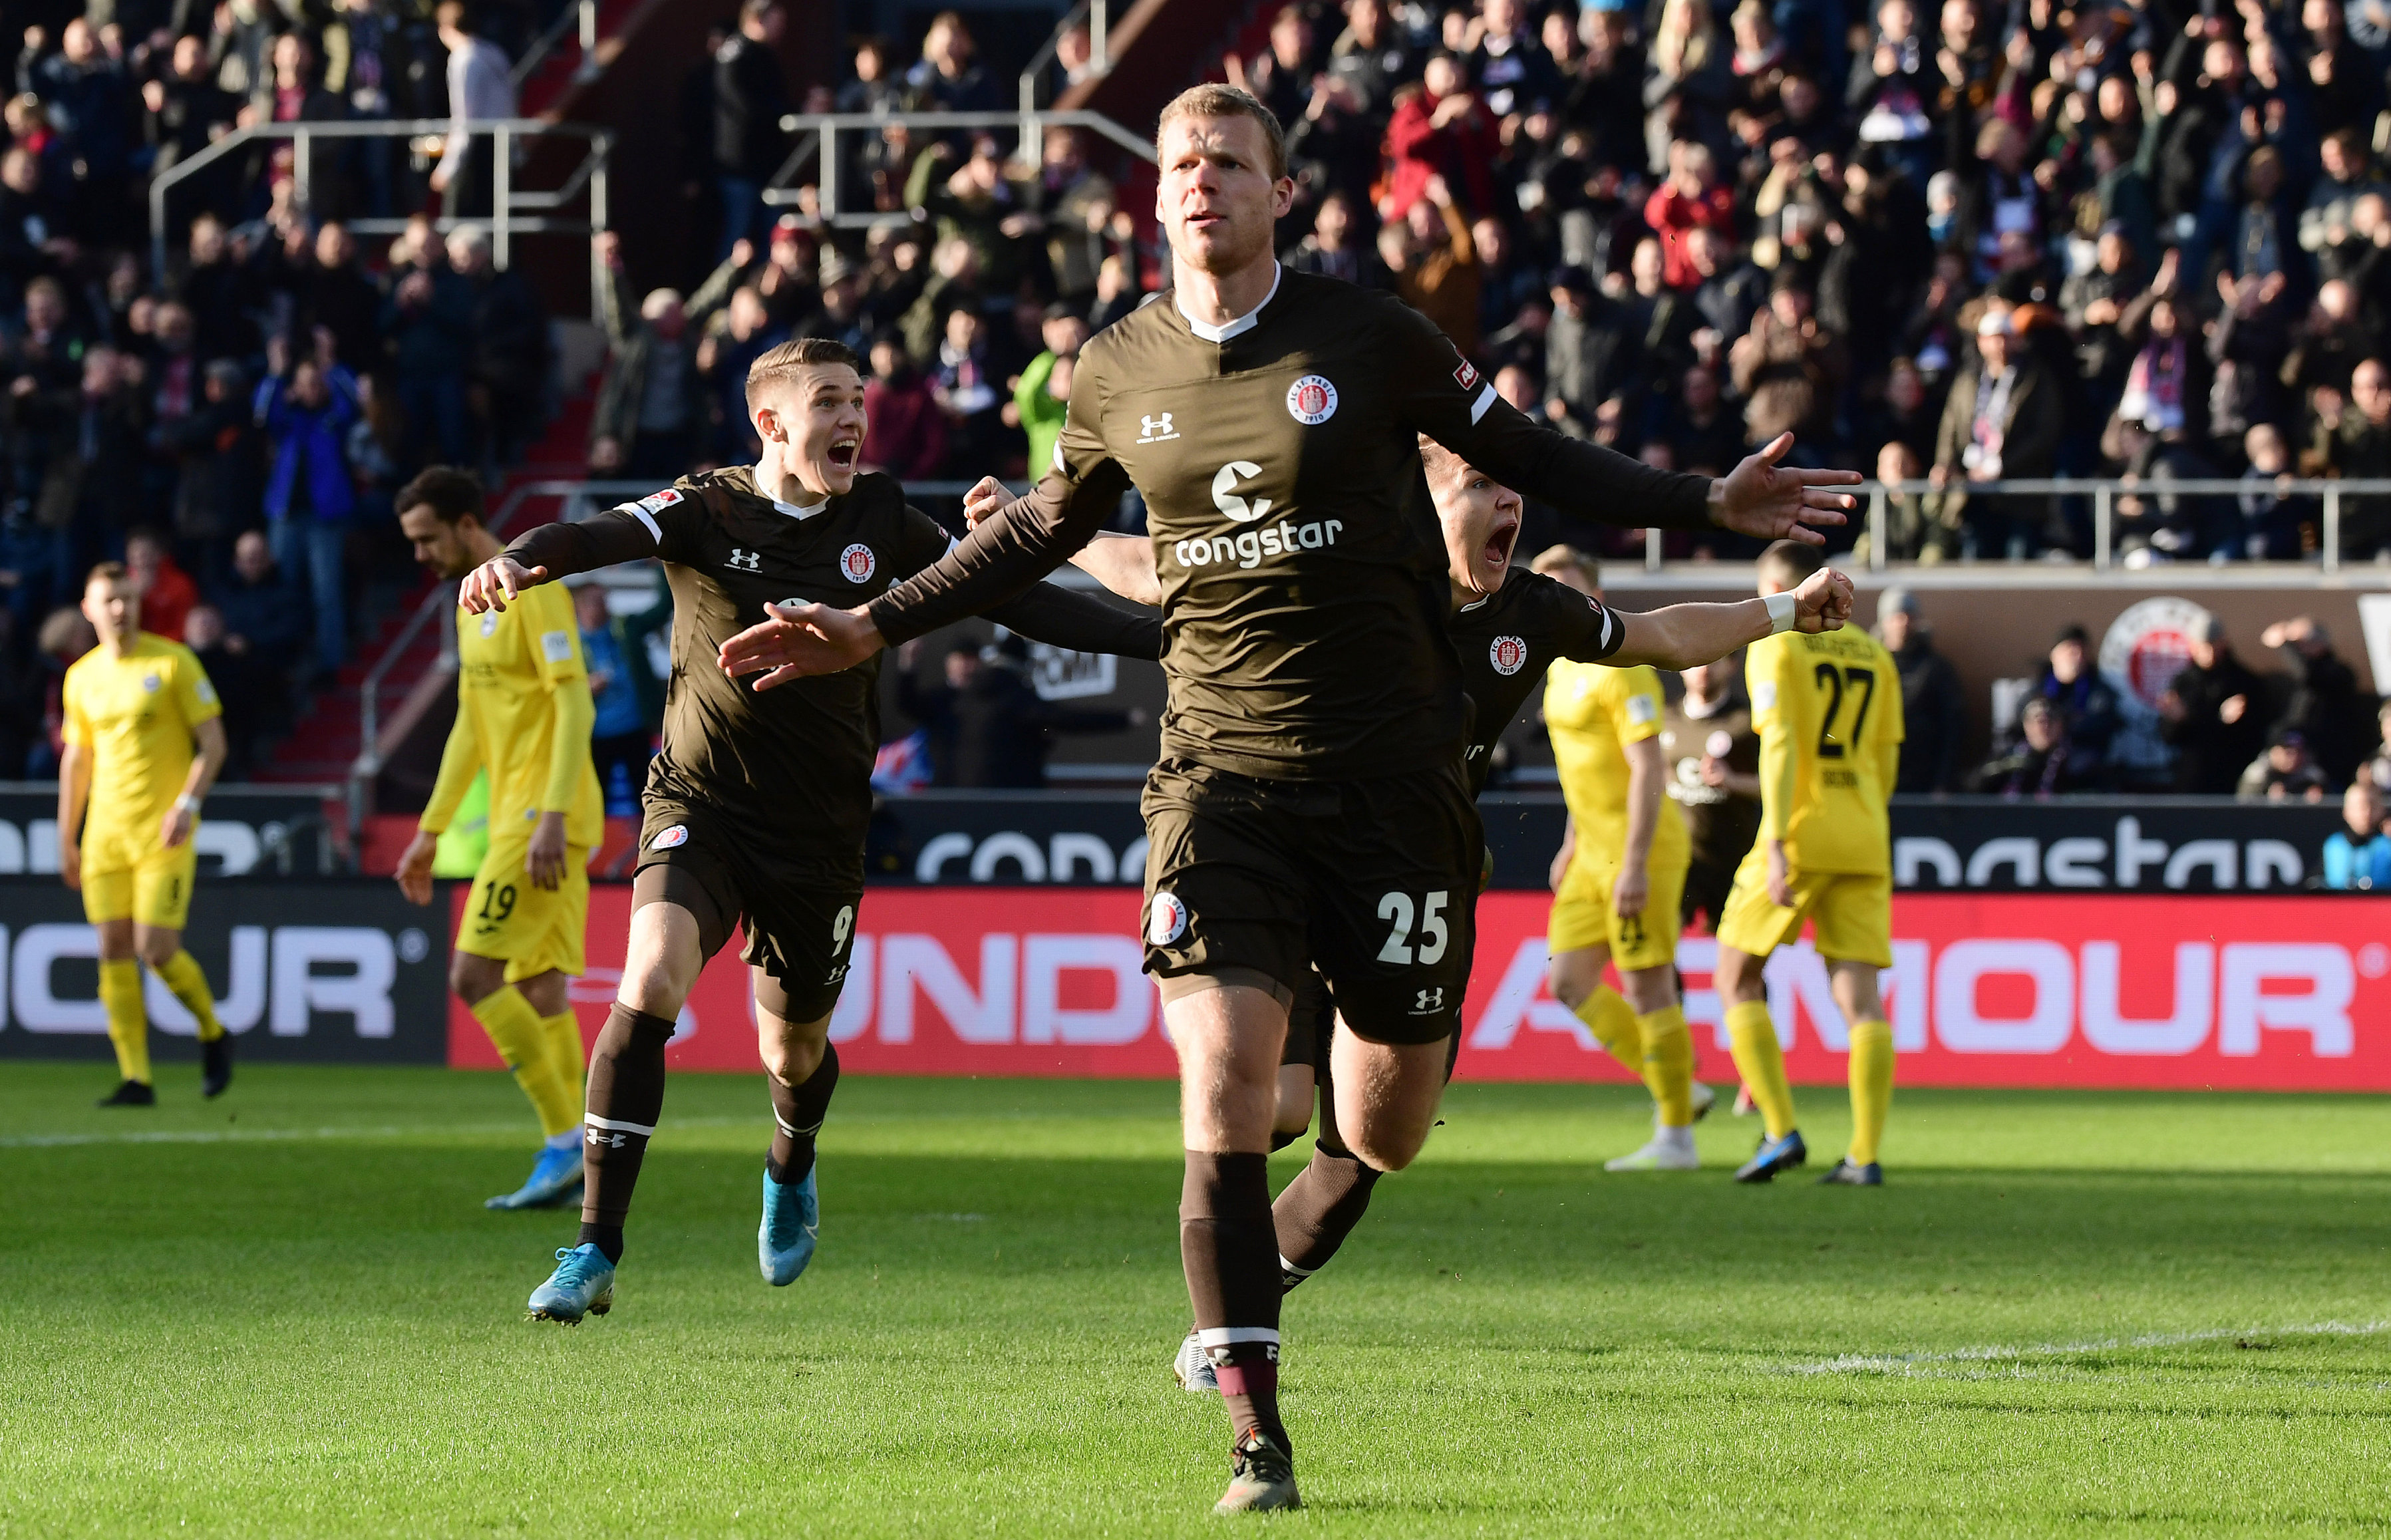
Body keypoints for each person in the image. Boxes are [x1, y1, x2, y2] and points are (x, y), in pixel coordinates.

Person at [715, 86, 1857, 1513]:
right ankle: (1258, 1431)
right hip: (1219, 780)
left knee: (1378, 1128)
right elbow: (1050, 546)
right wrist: (870, 626)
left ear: (1279, 193)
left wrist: (1703, 501)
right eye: (1182, 161)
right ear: (1158, 198)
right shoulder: (1113, 367)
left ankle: (1302, 1246)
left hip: (1392, 802)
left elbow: (1539, 459)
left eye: (1231, 162)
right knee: (1228, 1082)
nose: (1201, 179)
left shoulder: (1375, 341)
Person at [965, 443, 1853, 1361]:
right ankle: (1236, 1334)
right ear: (1410, 502)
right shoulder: (1336, 574)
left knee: (1368, 1151)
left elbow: (1660, 635)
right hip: (1291, 860)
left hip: (1415, 884)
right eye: (1479, 483)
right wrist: (1050, 532)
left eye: (1515, 486)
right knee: (1265, 1106)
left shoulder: (1529, 609)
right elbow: (1156, 568)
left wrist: (1783, 610)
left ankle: (1239, 1299)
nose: (1508, 501)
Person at [452, 339, 1160, 1327]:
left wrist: (1171, 636)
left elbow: (1023, 603)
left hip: (820, 833)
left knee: (790, 1049)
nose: (852, 419)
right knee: (648, 976)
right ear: (772, 422)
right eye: (829, 400)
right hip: (698, 803)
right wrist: (519, 562)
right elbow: (595, 532)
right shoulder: (707, 506)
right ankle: (592, 1247)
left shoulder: (881, 518)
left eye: (859, 401)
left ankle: (791, 1156)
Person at [392, 468, 603, 1211]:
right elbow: (469, 729)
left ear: (465, 522)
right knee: (541, 986)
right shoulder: (469, 603)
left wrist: (550, 812)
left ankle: (562, 1139)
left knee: (473, 976)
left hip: (542, 818)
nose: (421, 554)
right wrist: (431, 830)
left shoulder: (535, 586)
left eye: (427, 538)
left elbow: (574, 701)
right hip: (519, 814)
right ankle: (582, 1149)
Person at [1711, 539, 1903, 1187]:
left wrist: (1780, 843)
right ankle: (1864, 1155)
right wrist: (1865, 817)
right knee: (1861, 998)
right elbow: (1885, 758)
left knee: (1736, 973)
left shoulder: (1776, 641)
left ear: (1774, 583)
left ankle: (1779, 1130)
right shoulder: (1875, 652)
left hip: (1798, 827)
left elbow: (1785, 742)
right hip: (1865, 831)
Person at [1539, 546, 1707, 1171]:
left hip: (1643, 850)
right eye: (1547, 587)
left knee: (1647, 987)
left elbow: (1647, 770)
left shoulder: (1622, 665)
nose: (1557, 598)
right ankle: (1681, 1088)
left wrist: (1633, 863)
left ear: (1595, 597)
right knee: (1569, 982)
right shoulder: (1558, 669)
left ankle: (1677, 1136)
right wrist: (1570, 840)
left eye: (1570, 588)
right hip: (1590, 853)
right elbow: (1582, 769)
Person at [58, 563, 232, 1106]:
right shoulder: (81, 676)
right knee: (112, 948)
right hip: (105, 835)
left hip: (165, 833)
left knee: (155, 950)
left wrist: (187, 803)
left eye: (128, 598)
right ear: (88, 608)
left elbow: (214, 744)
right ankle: (137, 1077)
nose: (120, 609)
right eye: (109, 600)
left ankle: (212, 1030)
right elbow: (77, 763)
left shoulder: (173, 661)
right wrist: (67, 835)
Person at [1661, 649, 1760, 933]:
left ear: (1730, 666)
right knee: (1662, 946)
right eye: (1695, 660)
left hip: (1734, 859)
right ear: (1681, 667)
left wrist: (1732, 782)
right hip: (1679, 859)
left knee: (1739, 959)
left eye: (1713, 660)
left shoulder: (1748, 722)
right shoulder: (1665, 718)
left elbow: (1777, 785)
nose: (1704, 668)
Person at [2159, 615, 2266, 796]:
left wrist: (2233, 723)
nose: (2208, 652)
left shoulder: (2242, 681)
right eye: (2202, 645)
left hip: (2231, 779)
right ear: (2192, 646)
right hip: (2192, 780)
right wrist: (2176, 721)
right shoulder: (2183, 683)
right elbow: (2170, 737)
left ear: (2223, 643)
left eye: (2213, 644)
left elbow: (2255, 734)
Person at [428, 1, 515, 219]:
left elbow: (465, 119)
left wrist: (447, 168)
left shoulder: (463, 60)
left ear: (445, 29)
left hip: (478, 155)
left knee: (466, 223)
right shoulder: (495, 52)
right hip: (502, 145)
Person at [575, 580, 654, 816]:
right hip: (595, 735)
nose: (603, 606)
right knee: (596, 804)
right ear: (579, 607)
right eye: (595, 601)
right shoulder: (567, 640)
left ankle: (649, 849)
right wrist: (583, 689)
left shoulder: (625, 629)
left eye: (604, 599)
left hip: (635, 728)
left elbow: (661, 610)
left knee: (647, 798)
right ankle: (600, 851)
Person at [1875, 588, 1965, 794]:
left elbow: (1953, 727)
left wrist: (1943, 782)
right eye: (1897, 616)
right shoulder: (1871, 665)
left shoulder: (1936, 669)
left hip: (1922, 779)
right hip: (1876, 776)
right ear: (1884, 622)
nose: (1904, 623)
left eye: (1910, 617)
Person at [2321, 779, 2391, 889]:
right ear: (2346, 811)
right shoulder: (2334, 845)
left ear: (2381, 809)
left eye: (2372, 805)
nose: (2366, 812)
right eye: (2360, 806)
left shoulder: (2387, 845)